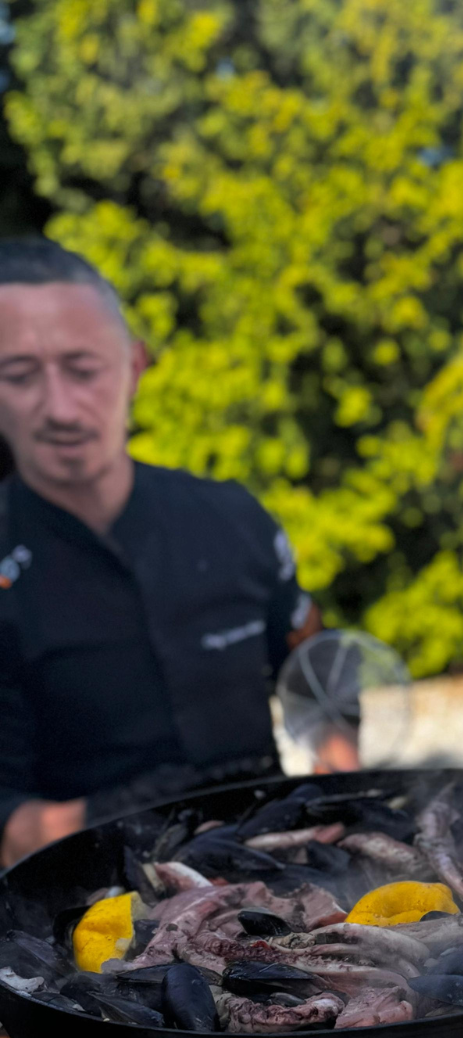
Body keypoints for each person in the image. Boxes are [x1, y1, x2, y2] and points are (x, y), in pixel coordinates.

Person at [0, 239, 318, 864]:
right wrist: (124, 814)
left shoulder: (233, 518)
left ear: (135, 367)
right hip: (96, 898)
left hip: (284, 867)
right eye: (19, 375)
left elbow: (315, 671)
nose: (60, 408)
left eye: (83, 369)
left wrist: (337, 766)